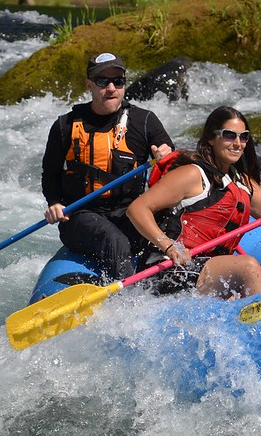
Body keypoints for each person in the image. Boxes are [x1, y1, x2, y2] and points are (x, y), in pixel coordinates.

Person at [126, 106, 261, 300]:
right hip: (171, 268)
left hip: (207, 269)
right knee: (248, 267)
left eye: (243, 137)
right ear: (211, 138)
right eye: (229, 136)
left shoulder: (241, 182)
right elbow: (137, 209)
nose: (237, 143)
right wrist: (169, 246)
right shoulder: (192, 174)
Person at [41, 52, 175, 281]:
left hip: (128, 210)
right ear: (90, 85)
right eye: (103, 81)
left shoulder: (144, 121)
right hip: (81, 214)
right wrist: (54, 203)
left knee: (172, 218)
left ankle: (165, 279)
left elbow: (172, 160)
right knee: (114, 241)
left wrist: (166, 154)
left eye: (118, 81)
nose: (111, 88)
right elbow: (50, 173)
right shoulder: (65, 125)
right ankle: (126, 300)